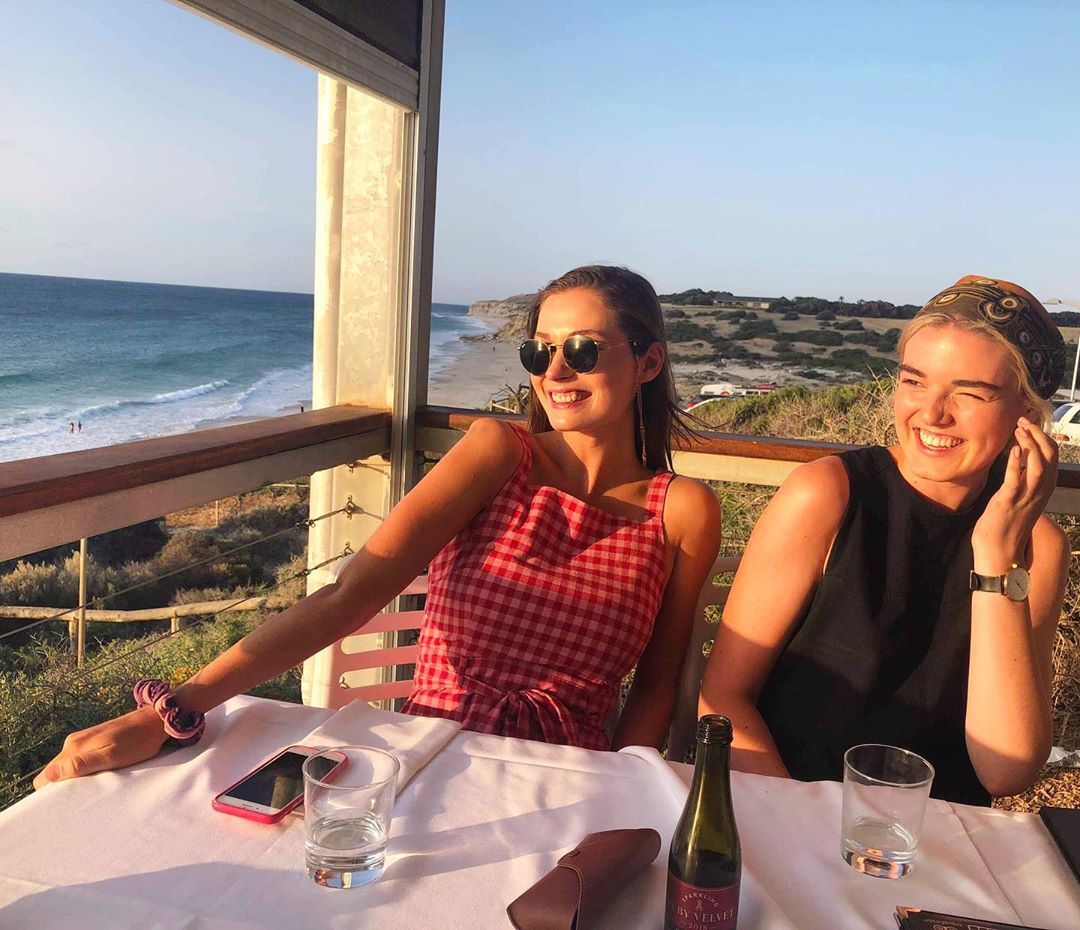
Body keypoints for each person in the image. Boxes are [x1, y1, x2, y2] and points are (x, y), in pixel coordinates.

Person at [36, 265, 721, 787]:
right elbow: (348, 596)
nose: (556, 370)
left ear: (648, 362)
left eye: (583, 349)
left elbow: (656, 685)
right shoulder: (498, 453)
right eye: (539, 352)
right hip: (428, 760)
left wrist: (619, 793)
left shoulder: (683, 510)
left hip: (565, 778)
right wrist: (174, 709)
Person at [699, 275, 1070, 805]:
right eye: (914, 382)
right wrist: (803, 824)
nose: (932, 414)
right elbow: (723, 698)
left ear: (1027, 415)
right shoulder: (828, 495)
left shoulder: (1036, 547)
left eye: (970, 393)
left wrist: (995, 554)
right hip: (789, 809)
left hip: (936, 832)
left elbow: (1005, 771)